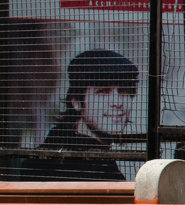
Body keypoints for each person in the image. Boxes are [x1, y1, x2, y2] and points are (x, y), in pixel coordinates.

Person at [22, 49, 139, 181]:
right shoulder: (93, 168)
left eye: (124, 91)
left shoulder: (49, 150)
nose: (117, 103)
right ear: (76, 102)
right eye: (102, 91)